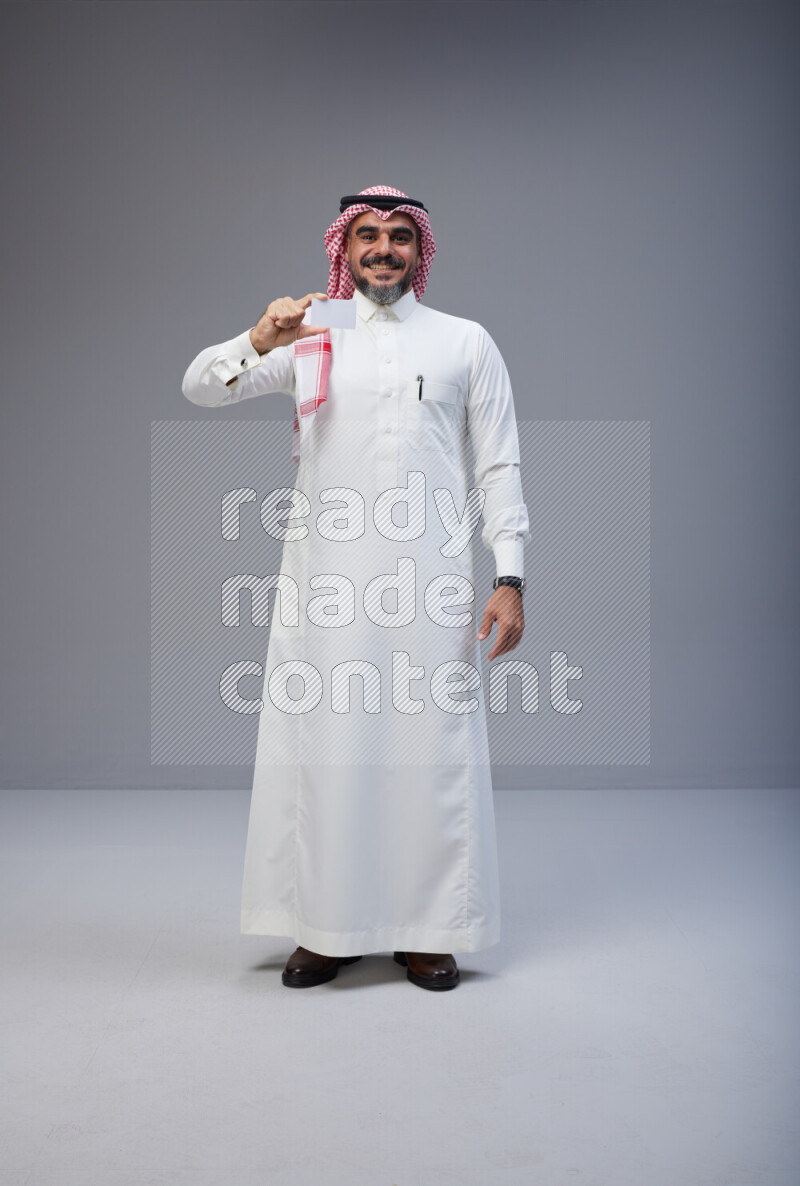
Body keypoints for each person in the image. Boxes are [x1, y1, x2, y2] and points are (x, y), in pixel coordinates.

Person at [182, 185, 530, 991]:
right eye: (367, 235)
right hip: (328, 584)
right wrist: (256, 334)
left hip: (432, 582)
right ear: (345, 247)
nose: (383, 249)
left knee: (428, 751)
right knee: (329, 750)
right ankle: (327, 928)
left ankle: (429, 929)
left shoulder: (464, 342)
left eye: (399, 237)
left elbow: (501, 465)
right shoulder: (308, 334)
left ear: (421, 250)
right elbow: (201, 387)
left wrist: (510, 575)